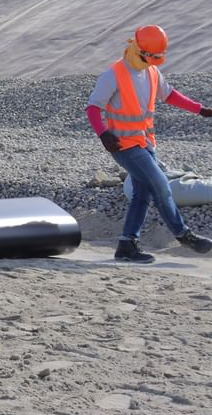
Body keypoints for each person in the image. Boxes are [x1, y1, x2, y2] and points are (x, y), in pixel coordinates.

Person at [87, 24, 212, 263]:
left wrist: (200, 110)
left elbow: (170, 94)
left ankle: (126, 245)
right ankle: (184, 235)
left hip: (145, 142)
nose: (155, 61)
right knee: (160, 184)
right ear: (139, 49)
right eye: (152, 56)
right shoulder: (113, 74)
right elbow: (93, 108)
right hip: (123, 145)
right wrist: (103, 134)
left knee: (142, 192)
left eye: (158, 57)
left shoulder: (151, 71)